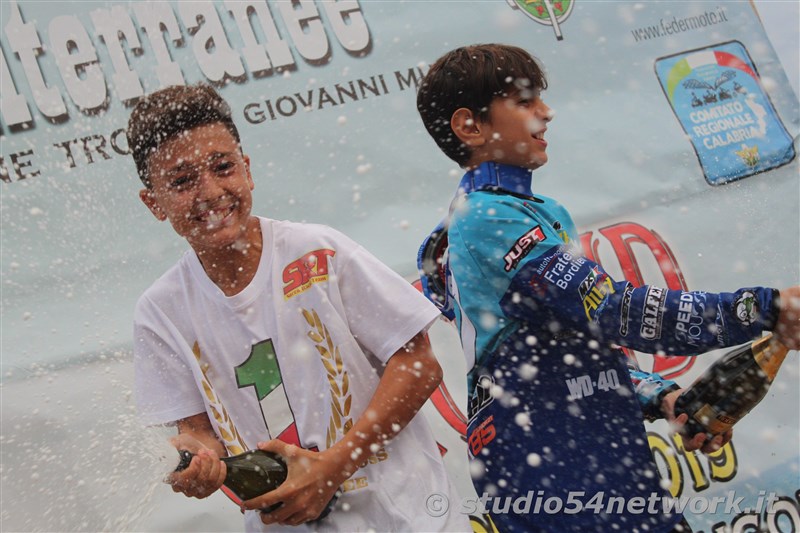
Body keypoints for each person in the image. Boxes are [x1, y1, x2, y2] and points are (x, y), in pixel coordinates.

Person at [415, 44, 800, 532]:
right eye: (525, 101)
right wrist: (763, 310)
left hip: (584, 448)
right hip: (546, 459)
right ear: (470, 126)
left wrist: (663, 399)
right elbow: (618, 312)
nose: (546, 113)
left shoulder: (526, 210)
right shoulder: (486, 216)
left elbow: (580, 346)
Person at [128, 84, 469, 532]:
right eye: (182, 181)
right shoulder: (160, 312)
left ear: (247, 170)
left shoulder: (316, 251)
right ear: (154, 202)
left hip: (410, 517)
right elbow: (197, 432)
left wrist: (334, 466)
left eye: (222, 167)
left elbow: (419, 364)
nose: (210, 192)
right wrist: (197, 463)